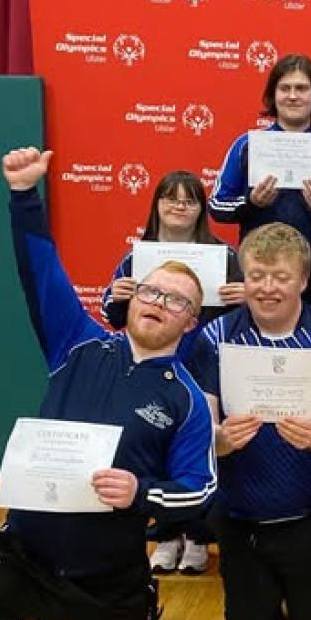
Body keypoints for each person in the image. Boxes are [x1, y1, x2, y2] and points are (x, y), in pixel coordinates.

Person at [0, 147, 216, 620]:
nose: (157, 303)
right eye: (149, 291)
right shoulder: (76, 343)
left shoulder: (186, 399)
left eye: (176, 301)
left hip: (106, 582)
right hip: (18, 556)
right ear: (131, 297)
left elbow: (199, 490)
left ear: (191, 321)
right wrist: (23, 195)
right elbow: (40, 273)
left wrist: (139, 492)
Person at [188, 222, 311, 620]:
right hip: (240, 515)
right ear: (243, 278)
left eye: (281, 277)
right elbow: (202, 437)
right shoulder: (216, 337)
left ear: (302, 280)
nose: (268, 288)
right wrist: (222, 440)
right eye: (256, 276)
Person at [101, 170, 243, 575]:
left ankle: (197, 537)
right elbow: (114, 318)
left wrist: (242, 297)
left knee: (195, 451)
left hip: (203, 366)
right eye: (170, 197)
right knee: (152, 446)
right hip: (150, 368)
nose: (179, 205)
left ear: (201, 209)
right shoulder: (136, 257)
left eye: (190, 199)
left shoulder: (224, 255)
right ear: (157, 204)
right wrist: (117, 296)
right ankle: (165, 536)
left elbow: (239, 322)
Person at [209, 53, 311, 320]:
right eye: (285, 88)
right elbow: (217, 206)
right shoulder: (248, 145)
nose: (293, 96)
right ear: (272, 95)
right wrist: (251, 202)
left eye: (301, 88)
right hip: (260, 274)